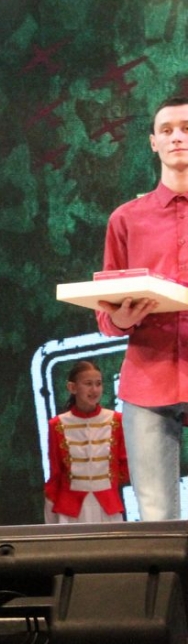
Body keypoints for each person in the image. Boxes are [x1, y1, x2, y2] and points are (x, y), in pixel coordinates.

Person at [96, 95, 188, 521]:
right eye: (167, 130)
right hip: (148, 379)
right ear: (153, 142)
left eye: (186, 129)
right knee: (156, 516)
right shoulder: (126, 219)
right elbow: (106, 310)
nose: (177, 137)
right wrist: (119, 318)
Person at [44, 361, 128, 524]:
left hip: (108, 505)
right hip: (70, 508)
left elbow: (124, 464)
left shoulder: (116, 420)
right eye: (88, 384)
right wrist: (51, 507)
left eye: (98, 384)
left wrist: (108, 483)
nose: (94, 390)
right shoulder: (57, 424)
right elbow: (56, 472)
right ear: (72, 388)